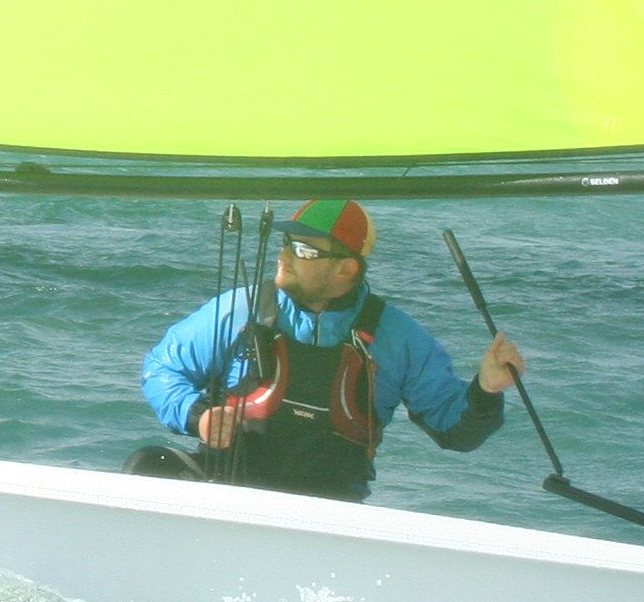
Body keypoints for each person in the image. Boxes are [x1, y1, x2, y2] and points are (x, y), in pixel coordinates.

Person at [129, 200, 518, 502]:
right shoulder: (240, 308)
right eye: (285, 243)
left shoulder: (399, 338)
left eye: (303, 249)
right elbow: (163, 368)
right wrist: (196, 415)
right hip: (229, 489)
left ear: (345, 270)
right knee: (146, 465)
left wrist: (486, 390)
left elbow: (456, 432)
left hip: (328, 508)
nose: (284, 256)